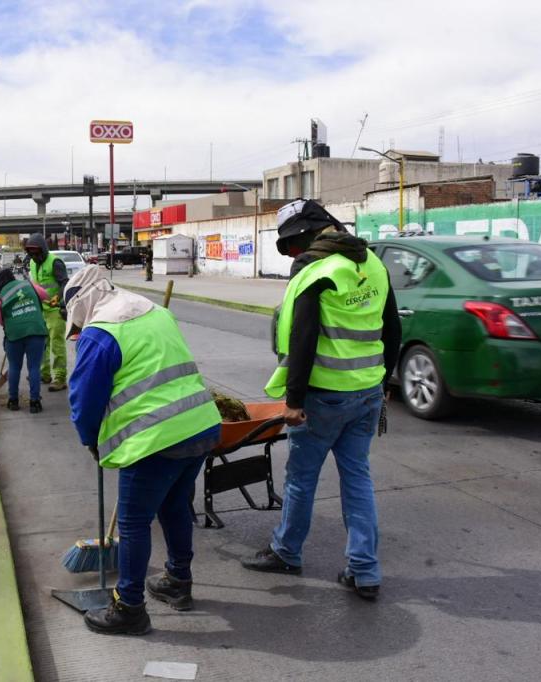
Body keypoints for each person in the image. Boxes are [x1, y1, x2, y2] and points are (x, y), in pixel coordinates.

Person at [240, 200, 401, 601]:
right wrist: (383, 382)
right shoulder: (373, 265)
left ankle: (286, 551)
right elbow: (392, 327)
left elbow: (303, 340)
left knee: (301, 479)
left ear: (305, 238)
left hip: (322, 398)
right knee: (358, 479)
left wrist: (293, 401)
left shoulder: (317, 274)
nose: (294, 256)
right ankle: (365, 570)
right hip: (366, 394)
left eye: (293, 247)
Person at [66, 265, 222, 636]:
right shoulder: (153, 310)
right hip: (200, 425)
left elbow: (85, 401)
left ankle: (129, 608)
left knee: (135, 523)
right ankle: (178, 582)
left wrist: (91, 439)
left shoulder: (100, 333)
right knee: (175, 506)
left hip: (156, 440)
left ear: (81, 305)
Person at [0, 267, 49, 413]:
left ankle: (13, 401)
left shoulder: (0, 298)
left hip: (14, 335)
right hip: (36, 332)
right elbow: (45, 295)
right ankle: (35, 402)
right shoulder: (29, 285)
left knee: (14, 367)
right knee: (34, 367)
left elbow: (1, 321)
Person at [25, 233, 69, 392]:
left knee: (56, 345)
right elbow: (33, 284)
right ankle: (44, 373)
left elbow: (65, 283)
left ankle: (60, 378)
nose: (34, 256)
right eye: (31, 253)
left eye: (37, 253)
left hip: (55, 311)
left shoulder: (55, 262)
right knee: (41, 344)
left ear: (43, 250)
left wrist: (58, 298)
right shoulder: (31, 262)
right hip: (39, 310)